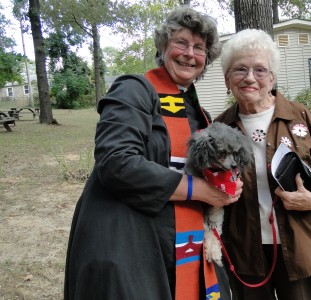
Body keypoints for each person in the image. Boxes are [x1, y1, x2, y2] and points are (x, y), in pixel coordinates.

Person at [64, 6, 242, 300]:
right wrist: (198, 190)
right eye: (181, 42)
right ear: (163, 46)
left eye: (199, 48)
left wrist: (227, 186)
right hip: (127, 243)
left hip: (180, 243)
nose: (189, 53)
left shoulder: (202, 116)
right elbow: (115, 162)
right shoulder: (135, 90)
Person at [214, 28, 311, 300]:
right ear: (227, 79)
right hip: (244, 252)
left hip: (300, 248)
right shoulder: (219, 127)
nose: (250, 78)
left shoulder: (300, 116)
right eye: (239, 69)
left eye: (260, 70)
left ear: (272, 78)